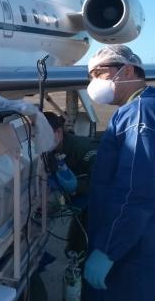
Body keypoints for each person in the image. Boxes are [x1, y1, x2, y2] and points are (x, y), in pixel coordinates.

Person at [83, 45, 155, 301]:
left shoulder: (140, 115)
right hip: (146, 241)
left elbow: (135, 190)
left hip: (132, 253)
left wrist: (108, 249)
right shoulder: (146, 110)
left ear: (127, 70)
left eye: (99, 73)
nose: (93, 82)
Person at [44, 111, 99, 259]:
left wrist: (77, 187)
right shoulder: (48, 151)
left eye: (45, 135)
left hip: (96, 203)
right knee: (74, 244)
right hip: (77, 203)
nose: (40, 140)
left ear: (59, 132)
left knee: (87, 242)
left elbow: (104, 182)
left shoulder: (84, 149)